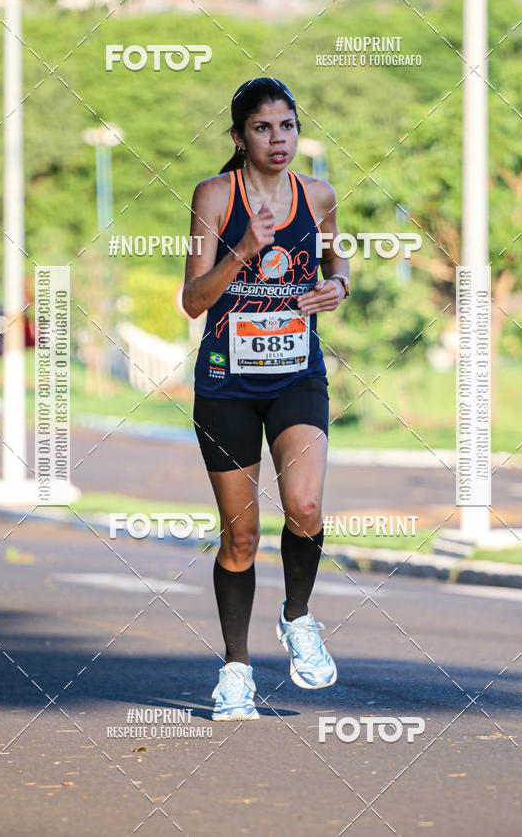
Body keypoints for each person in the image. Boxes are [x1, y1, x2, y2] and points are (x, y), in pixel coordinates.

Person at [182, 78, 350, 721]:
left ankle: (298, 617)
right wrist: (244, 250)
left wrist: (338, 288)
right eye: (262, 128)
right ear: (239, 137)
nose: (277, 140)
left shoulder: (319, 194)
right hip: (226, 378)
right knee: (242, 534)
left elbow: (336, 265)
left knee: (305, 503)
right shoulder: (216, 196)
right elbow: (194, 299)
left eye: (287, 126)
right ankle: (236, 671)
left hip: (296, 373)